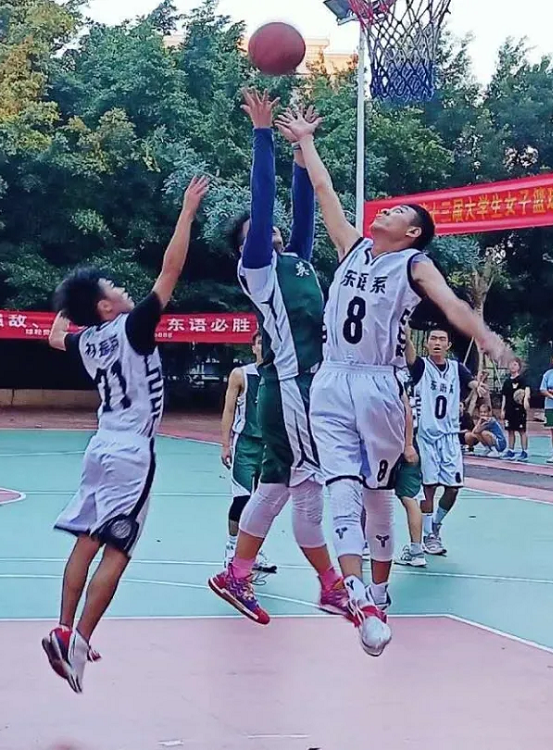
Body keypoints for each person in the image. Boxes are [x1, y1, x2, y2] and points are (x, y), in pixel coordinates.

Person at [279, 107, 514, 656]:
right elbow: (324, 189)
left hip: (379, 384)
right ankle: (358, 595)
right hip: (332, 380)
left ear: (412, 233)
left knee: (377, 492)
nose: (384, 211)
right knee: (340, 484)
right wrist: (306, 140)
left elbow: (451, 304)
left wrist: (489, 339)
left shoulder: (413, 264)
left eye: (398, 212)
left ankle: (379, 592)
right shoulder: (353, 247)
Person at [42, 175, 209, 694]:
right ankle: (79, 641)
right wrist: (186, 212)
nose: (122, 288)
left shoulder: (88, 341)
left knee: (87, 540)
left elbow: (55, 338)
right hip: (132, 451)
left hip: (99, 446)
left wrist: (71, 306)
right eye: (112, 287)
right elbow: (170, 270)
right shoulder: (133, 326)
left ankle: (64, 626)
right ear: (106, 307)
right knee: (118, 549)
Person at [207, 91, 349, 627]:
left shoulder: (299, 263)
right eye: (256, 231)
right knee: (294, 485)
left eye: (270, 227)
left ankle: (316, 583)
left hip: (305, 388)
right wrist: (263, 135)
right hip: (290, 386)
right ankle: (250, 574)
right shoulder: (259, 272)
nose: (269, 227)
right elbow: (263, 199)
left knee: (294, 488)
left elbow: (303, 207)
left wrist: (300, 150)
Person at [406, 329, 485, 556]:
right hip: (427, 437)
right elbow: (408, 351)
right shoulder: (421, 366)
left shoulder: (456, 368)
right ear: (427, 344)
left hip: (450, 437)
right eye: (433, 339)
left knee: (453, 488)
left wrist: (477, 387)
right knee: (429, 488)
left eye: (442, 339)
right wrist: (404, 328)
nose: (437, 343)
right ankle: (428, 536)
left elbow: (471, 382)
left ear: (448, 345)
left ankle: (435, 525)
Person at [219, 330, 275, 573]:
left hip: (271, 446)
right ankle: (232, 547)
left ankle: (254, 551)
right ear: (253, 347)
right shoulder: (240, 374)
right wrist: (225, 443)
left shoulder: (278, 375)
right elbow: (229, 410)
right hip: (245, 445)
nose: (263, 346)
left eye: (266, 342)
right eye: (259, 342)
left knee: (263, 504)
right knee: (242, 499)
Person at [394, 365, 426, 568]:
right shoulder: (410, 374)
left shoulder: (388, 374)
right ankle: (416, 550)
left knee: (369, 494)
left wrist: (407, 444)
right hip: (409, 439)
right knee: (409, 498)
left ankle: (364, 544)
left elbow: (406, 408)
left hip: (392, 439)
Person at [500, 358, 531, 462]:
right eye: (511, 364)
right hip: (509, 410)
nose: (512, 366)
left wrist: (525, 400)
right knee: (510, 431)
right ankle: (511, 450)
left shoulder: (522, 380)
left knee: (522, 431)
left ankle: (525, 451)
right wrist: (502, 410)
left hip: (519, 410)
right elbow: (504, 397)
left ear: (519, 367)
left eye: (515, 365)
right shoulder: (507, 382)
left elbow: (527, 390)